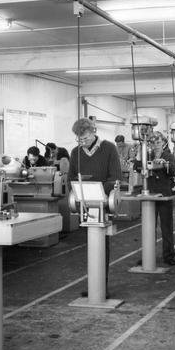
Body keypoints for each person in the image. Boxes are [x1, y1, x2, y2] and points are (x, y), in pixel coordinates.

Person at [68, 117, 122, 297]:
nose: (82, 142)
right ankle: (94, 284)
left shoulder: (109, 149)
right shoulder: (75, 152)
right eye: (79, 139)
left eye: (85, 138)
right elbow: (71, 177)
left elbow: (115, 177)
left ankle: (101, 286)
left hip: (104, 202)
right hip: (85, 203)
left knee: (102, 245)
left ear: (94, 132)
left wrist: (100, 191)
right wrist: (79, 191)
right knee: (90, 245)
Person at [134, 131, 175, 265]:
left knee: (166, 227)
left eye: (158, 142)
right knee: (148, 227)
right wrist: (140, 152)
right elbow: (137, 167)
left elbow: (174, 172)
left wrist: (165, 164)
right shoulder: (148, 155)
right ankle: (147, 254)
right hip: (150, 194)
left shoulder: (169, 156)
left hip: (164, 195)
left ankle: (169, 256)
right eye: (153, 142)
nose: (156, 145)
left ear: (164, 143)